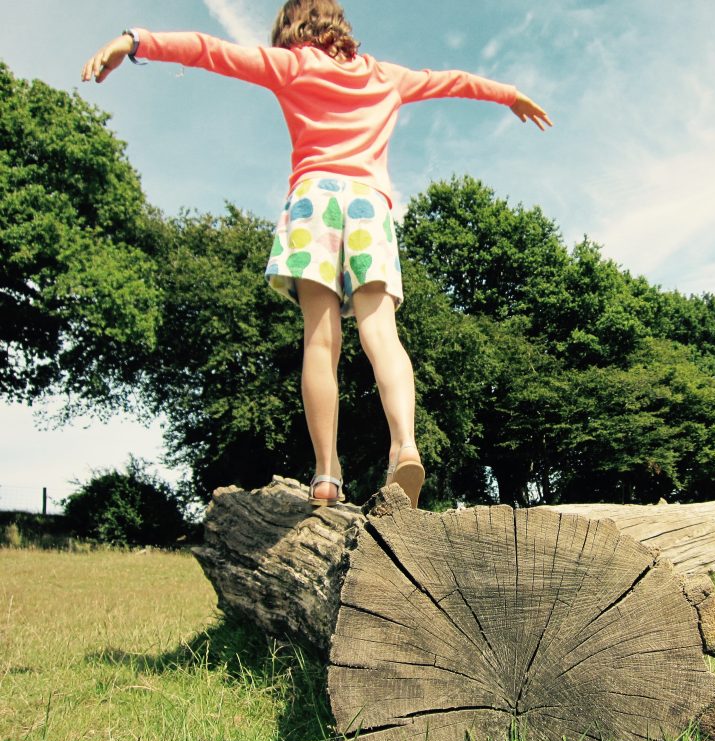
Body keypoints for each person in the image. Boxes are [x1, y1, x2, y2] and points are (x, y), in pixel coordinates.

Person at [81, 0, 551, 509]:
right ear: (340, 26)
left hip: (313, 205)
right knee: (382, 336)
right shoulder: (385, 77)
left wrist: (134, 40)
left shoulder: (291, 65)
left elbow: (210, 51)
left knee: (320, 343)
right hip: (370, 207)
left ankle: (327, 474)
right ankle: (405, 446)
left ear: (290, 29)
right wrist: (509, 95)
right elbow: (451, 80)